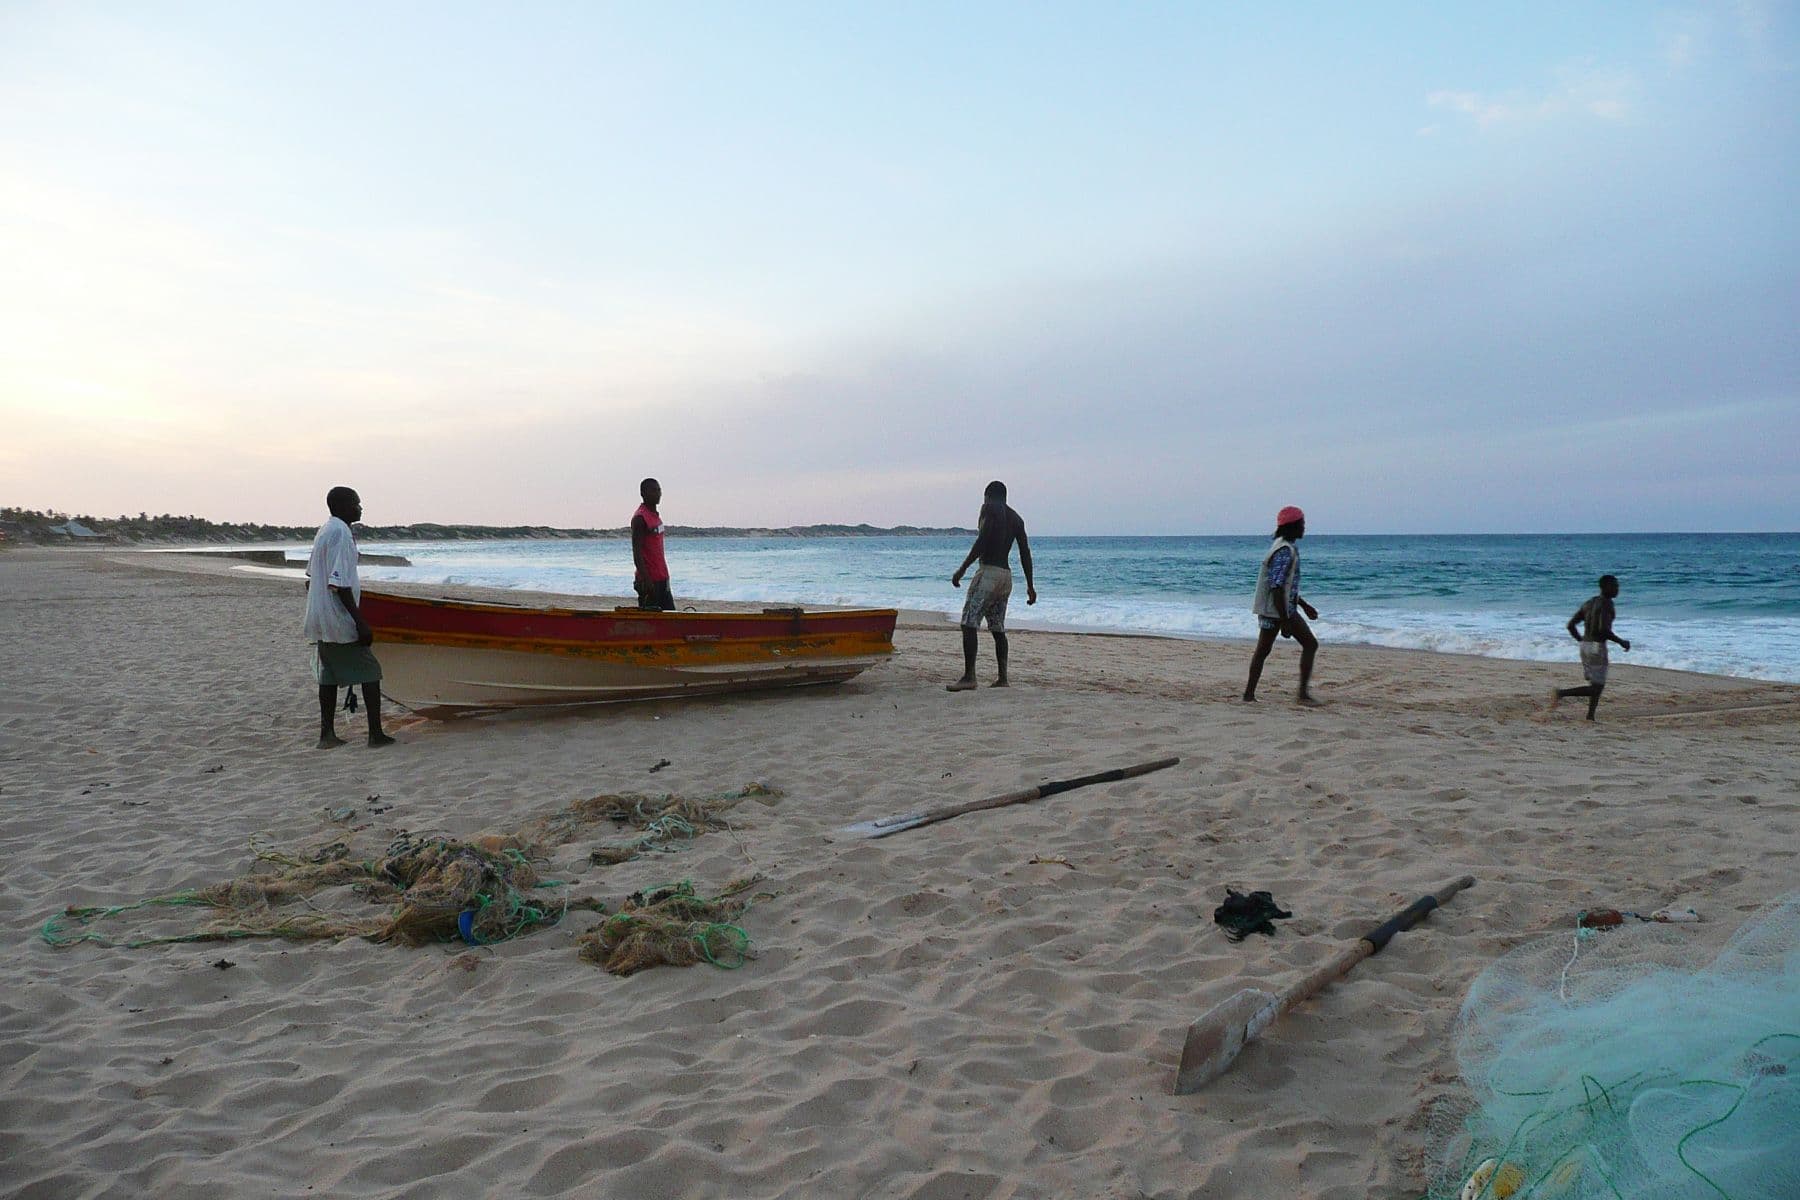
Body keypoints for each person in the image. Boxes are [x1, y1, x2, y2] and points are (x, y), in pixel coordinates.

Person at [304, 487, 393, 749]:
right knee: (371, 672)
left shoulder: (324, 531)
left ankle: (327, 735)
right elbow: (339, 584)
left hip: (319, 617)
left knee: (329, 676)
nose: (360, 508)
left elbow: (311, 580)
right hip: (337, 618)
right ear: (343, 506)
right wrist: (360, 622)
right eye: (356, 503)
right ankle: (375, 735)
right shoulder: (342, 533)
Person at [947, 481, 1036, 691]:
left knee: (969, 623)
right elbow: (1025, 553)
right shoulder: (1017, 518)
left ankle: (970, 677)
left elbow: (983, 540)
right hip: (1006, 576)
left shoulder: (989, 508)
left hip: (988, 573)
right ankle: (1002, 678)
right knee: (997, 628)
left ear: (987, 496)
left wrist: (962, 569)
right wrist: (1030, 586)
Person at [1243, 505, 1321, 705]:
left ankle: (1250, 695)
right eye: (1302, 524)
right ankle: (1299, 695)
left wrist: (1303, 605)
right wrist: (1285, 620)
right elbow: (1276, 587)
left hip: (1283, 608)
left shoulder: (1284, 546)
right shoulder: (1284, 550)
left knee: (1267, 650)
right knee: (1266, 650)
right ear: (1292, 526)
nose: (1304, 527)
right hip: (1275, 611)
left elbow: (1286, 586)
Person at [1551, 574, 1630, 720]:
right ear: (1606, 587)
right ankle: (1561, 694)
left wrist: (1581, 640)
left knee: (1596, 684)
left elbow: (1571, 625)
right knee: (1596, 687)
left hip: (1585, 646)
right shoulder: (1606, 604)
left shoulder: (1589, 603)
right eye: (1615, 586)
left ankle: (1590, 716)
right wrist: (1621, 641)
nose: (1617, 589)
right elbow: (1603, 630)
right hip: (1597, 647)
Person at [631, 478, 674, 611]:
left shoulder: (655, 516)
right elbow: (637, 553)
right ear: (643, 493)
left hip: (662, 577)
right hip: (649, 580)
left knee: (670, 618)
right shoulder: (640, 518)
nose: (657, 493)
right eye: (653, 490)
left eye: (659, 490)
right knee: (651, 623)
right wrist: (647, 581)